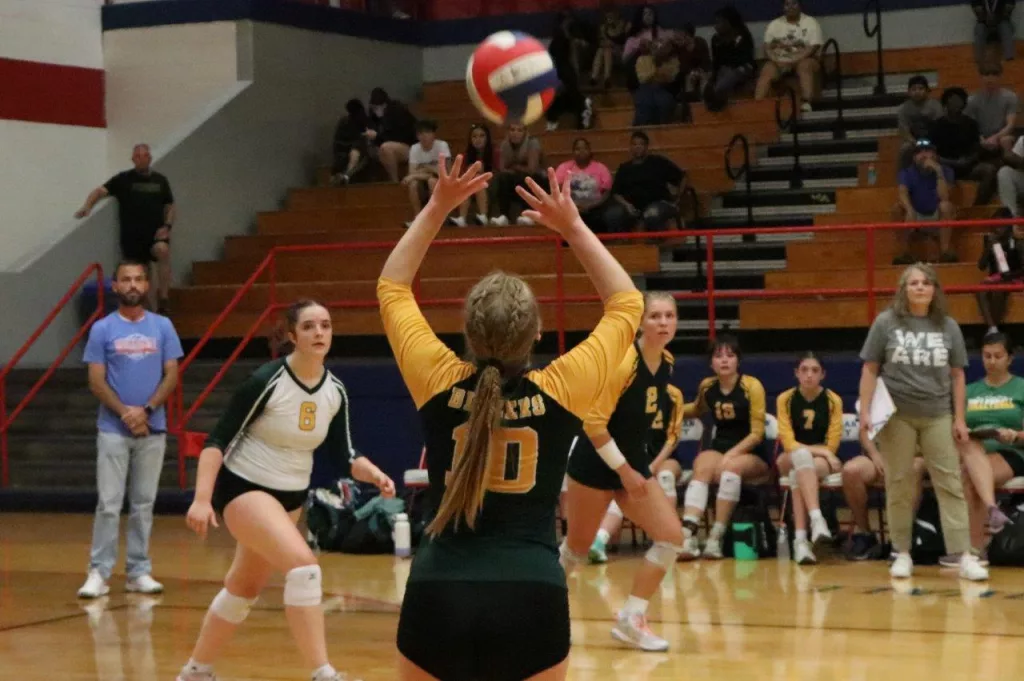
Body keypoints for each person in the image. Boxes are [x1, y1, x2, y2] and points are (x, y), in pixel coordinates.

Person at [380, 156, 644, 681]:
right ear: (537, 334)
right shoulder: (562, 388)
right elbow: (625, 303)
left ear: (468, 333)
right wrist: (572, 226)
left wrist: (437, 206)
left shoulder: (437, 380)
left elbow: (392, 286)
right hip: (532, 594)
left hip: (438, 591)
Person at [176, 300, 396, 681]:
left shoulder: (335, 391)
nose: (319, 333)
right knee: (305, 568)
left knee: (243, 588)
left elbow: (345, 455)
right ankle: (323, 673)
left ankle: (195, 672)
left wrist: (374, 474)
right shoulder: (267, 380)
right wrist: (201, 499)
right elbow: (217, 441)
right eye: (309, 326)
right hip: (244, 488)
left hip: (290, 498)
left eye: (325, 325)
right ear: (292, 335)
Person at [562, 292, 683, 652]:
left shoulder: (667, 362)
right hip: (594, 464)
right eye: (655, 316)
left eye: (670, 316)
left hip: (632, 464)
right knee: (577, 549)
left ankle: (632, 618)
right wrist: (625, 471)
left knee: (671, 537)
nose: (663, 323)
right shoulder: (624, 362)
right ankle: (536, 614)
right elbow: (594, 425)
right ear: (640, 322)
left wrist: (634, 469)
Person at [858, 263, 988, 581]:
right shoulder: (886, 322)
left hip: (938, 414)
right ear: (903, 289)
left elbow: (958, 376)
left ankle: (964, 555)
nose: (920, 287)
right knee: (899, 483)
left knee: (950, 482)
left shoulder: (948, 326)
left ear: (934, 290)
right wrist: (865, 412)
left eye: (926, 283)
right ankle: (901, 552)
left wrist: (959, 418)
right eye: (913, 283)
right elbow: (870, 369)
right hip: (897, 416)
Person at [77, 261, 183, 599]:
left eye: (138, 279)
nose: (133, 285)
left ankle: (138, 571)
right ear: (115, 286)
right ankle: (99, 571)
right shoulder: (102, 329)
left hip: (153, 428)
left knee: (143, 504)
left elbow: (171, 374)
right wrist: (126, 414)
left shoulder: (163, 326)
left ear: (147, 285)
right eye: (126, 280)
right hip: (113, 429)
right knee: (109, 503)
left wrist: (147, 410)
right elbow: (96, 380)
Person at [679, 335, 769, 560]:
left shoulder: (752, 386)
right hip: (720, 447)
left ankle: (716, 537)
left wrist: (731, 455)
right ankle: (688, 534)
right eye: (718, 356)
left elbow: (757, 434)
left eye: (730, 355)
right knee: (701, 465)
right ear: (711, 363)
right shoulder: (707, 386)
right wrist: (670, 408)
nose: (725, 360)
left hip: (751, 453)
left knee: (731, 468)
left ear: (738, 360)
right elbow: (697, 409)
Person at [588, 376, 684, 565]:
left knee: (665, 476)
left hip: (663, 458)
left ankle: (666, 541)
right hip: (634, 460)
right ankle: (599, 541)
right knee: (626, 486)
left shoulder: (673, 394)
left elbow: (673, 438)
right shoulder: (627, 391)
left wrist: (653, 466)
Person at [75, 144, 175, 313]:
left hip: (155, 234)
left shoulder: (160, 180)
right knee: (142, 276)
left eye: (145, 156)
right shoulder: (123, 179)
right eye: (138, 156)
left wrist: (167, 226)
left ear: (150, 158)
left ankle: (164, 298)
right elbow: (100, 191)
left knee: (162, 250)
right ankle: (152, 312)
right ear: (133, 159)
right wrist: (87, 206)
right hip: (133, 238)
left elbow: (170, 205)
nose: (141, 159)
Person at [775, 352, 844, 565]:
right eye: (804, 370)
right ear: (796, 373)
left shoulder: (833, 400)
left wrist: (825, 452)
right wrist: (823, 453)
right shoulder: (785, 399)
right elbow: (788, 443)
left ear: (823, 375)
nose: (809, 375)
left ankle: (801, 541)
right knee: (800, 457)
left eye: (815, 370)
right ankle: (817, 520)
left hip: (818, 461)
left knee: (799, 472)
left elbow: (832, 444)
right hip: (791, 456)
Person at [960, 332, 1022, 556]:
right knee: (970, 463)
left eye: (998, 356)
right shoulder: (969, 391)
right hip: (973, 450)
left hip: (1010, 452)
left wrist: (1015, 435)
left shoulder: (1021, 388)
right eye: (987, 356)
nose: (992, 361)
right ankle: (990, 514)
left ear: (1010, 358)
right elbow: (956, 426)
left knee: (971, 476)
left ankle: (975, 548)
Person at [841, 433, 926, 560]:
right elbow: (864, 432)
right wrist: (875, 456)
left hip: (914, 455)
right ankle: (865, 534)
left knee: (914, 468)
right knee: (851, 471)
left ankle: (901, 539)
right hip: (879, 456)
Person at [891, 139, 958, 265]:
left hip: (937, 215)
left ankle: (945, 252)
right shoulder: (906, 172)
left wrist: (938, 172)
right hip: (916, 215)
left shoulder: (946, 171)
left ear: (935, 155)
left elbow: (945, 197)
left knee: (946, 206)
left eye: (927, 151)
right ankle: (905, 253)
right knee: (897, 209)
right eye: (919, 152)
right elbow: (902, 192)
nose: (923, 155)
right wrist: (909, 210)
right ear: (914, 157)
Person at [929, 86, 998, 206]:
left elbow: (977, 148)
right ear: (945, 103)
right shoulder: (936, 125)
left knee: (989, 170)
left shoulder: (971, 124)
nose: (956, 103)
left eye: (959, 100)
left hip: (967, 165)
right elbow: (932, 152)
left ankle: (977, 208)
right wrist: (952, 162)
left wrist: (968, 160)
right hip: (945, 166)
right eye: (952, 100)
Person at [606, 131, 686, 233]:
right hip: (632, 207)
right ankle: (623, 241)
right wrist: (627, 205)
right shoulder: (624, 168)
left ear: (647, 147)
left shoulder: (658, 162)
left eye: (641, 144)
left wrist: (678, 199)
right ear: (630, 147)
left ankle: (657, 239)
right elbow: (616, 193)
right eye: (634, 144)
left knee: (652, 214)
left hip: (658, 204)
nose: (638, 147)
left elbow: (682, 177)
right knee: (612, 214)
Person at [754, 0, 823, 112]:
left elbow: (813, 47)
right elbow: (767, 48)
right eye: (787, 4)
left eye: (794, 3)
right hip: (779, 61)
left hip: (804, 59)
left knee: (805, 66)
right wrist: (777, 60)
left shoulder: (811, 22)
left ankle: (806, 102)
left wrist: (793, 61)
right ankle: (757, 105)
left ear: (800, 6)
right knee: (767, 69)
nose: (790, 7)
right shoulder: (774, 24)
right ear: (783, 7)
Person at [554, 137, 614, 233]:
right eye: (578, 149)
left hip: (595, 208)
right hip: (570, 208)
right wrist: (574, 206)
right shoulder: (563, 168)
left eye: (585, 148)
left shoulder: (601, 168)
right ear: (573, 152)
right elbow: (558, 191)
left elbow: (607, 193)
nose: (581, 151)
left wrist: (592, 206)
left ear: (590, 151)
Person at [546, 11, 593, 132]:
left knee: (568, 95)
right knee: (562, 96)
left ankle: (582, 108)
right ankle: (583, 104)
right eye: (566, 21)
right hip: (559, 71)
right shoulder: (559, 38)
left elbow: (571, 58)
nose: (568, 23)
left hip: (565, 71)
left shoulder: (568, 39)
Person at [493, 122, 546, 226]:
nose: (515, 133)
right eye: (512, 130)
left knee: (525, 177)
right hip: (516, 178)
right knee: (502, 178)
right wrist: (515, 169)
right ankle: (504, 216)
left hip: (537, 180)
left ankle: (528, 214)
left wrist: (515, 167)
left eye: (519, 130)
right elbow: (502, 168)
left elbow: (532, 169)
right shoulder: (505, 144)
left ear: (525, 132)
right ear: (508, 132)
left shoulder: (532, 143)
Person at [976, 222, 1024, 332]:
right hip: (996, 279)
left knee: (998, 290)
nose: (998, 229)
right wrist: (988, 248)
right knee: (980, 291)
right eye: (995, 225)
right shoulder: (991, 242)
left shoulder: (1018, 243)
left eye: (1001, 225)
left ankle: (995, 328)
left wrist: (1002, 277)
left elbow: (1021, 270)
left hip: (1014, 278)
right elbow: (981, 266)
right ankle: (992, 328)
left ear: (1008, 227)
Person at [965, 62, 1019, 159]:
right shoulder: (972, 100)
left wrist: (995, 137)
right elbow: (971, 126)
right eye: (986, 75)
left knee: (1006, 140)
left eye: (994, 75)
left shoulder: (1010, 97)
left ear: (1000, 77)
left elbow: (1010, 125)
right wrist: (982, 140)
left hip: (1002, 135)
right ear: (981, 77)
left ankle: (1010, 165)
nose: (990, 78)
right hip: (980, 137)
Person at [706, 5, 756, 111]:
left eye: (719, 22)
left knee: (722, 86)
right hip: (725, 68)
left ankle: (719, 109)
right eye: (715, 23)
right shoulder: (716, 39)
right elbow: (716, 61)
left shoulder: (742, 35)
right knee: (711, 87)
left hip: (744, 66)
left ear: (728, 23)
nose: (715, 26)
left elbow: (745, 58)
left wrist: (729, 66)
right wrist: (712, 78)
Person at [402, 120, 451, 223]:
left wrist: (424, 168)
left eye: (427, 132)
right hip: (423, 182)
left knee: (432, 181)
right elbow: (412, 173)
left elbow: (445, 172)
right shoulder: (414, 148)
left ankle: (435, 217)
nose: (424, 136)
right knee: (413, 184)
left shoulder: (442, 145)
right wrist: (431, 170)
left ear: (434, 134)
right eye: (420, 133)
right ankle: (418, 218)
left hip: (443, 182)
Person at [367, 87, 417, 183]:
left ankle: (394, 181)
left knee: (386, 148)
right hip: (384, 144)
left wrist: (377, 136)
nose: (374, 111)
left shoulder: (398, 111)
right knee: (369, 149)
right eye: (373, 108)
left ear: (384, 105)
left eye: (376, 108)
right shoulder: (374, 115)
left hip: (409, 145)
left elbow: (401, 136)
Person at [453, 124, 495, 227]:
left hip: (491, 185)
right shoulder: (465, 156)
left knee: (477, 179)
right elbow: (460, 176)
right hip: (470, 185)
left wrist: (482, 173)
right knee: (469, 181)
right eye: (474, 136)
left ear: (487, 138)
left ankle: (483, 216)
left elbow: (498, 173)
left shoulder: (495, 152)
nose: (478, 139)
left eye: (482, 136)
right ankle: (462, 219)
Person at [897, 76, 943, 168]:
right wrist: (915, 142)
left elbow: (940, 127)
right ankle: (903, 174)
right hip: (913, 141)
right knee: (905, 148)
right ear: (909, 92)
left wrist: (931, 142)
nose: (917, 92)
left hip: (934, 139)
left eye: (921, 88)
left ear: (927, 90)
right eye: (914, 89)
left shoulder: (935, 105)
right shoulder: (904, 108)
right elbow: (904, 131)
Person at [330, 98, 372, 185]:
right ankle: (344, 175)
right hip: (350, 150)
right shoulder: (346, 123)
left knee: (355, 152)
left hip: (354, 151)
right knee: (354, 152)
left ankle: (344, 175)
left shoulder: (347, 122)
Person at [590, 7, 629, 89]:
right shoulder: (604, 28)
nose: (609, 18)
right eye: (607, 16)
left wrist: (613, 44)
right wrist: (605, 41)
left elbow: (626, 42)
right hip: (608, 52)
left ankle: (600, 77)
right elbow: (600, 42)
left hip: (620, 51)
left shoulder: (623, 25)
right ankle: (597, 78)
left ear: (616, 15)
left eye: (611, 16)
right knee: (602, 50)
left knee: (606, 49)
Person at [972, 0, 1016, 65]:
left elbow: (1007, 12)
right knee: (979, 29)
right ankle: (979, 58)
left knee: (1006, 28)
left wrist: (996, 18)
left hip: (1001, 21)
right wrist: (986, 19)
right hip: (985, 23)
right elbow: (978, 13)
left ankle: (1009, 57)